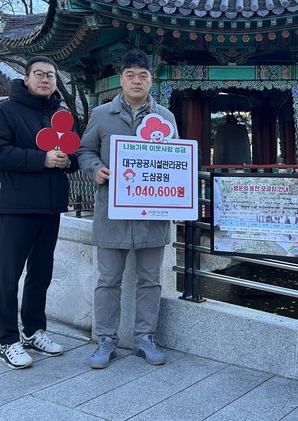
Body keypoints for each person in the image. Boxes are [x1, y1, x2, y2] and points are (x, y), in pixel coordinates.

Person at [77, 50, 179, 369]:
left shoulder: (165, 117)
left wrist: (179, 196)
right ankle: (105, 339)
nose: (137, 81)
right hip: (112, 213)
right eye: (130, 75)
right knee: (108, 280)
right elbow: (84, 150)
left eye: (143, 75)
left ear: (152, 79)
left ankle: (145, 337)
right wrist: (95, 169)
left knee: (150, 280)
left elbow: (177, 161)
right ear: (120, 79)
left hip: (153, 215)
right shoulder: (101, 115)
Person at [0, 55, 79, 370]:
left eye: (51, 75)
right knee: (9, 275)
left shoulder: (60, 114)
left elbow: (75, 153)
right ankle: (8, 341)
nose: (45, 79)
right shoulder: (5, 111)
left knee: (41, 273)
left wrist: (68, 161)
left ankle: (34, 331)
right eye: (39, 74)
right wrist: (42, 159)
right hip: (17, 205)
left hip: (51, 205)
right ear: (26, 79)